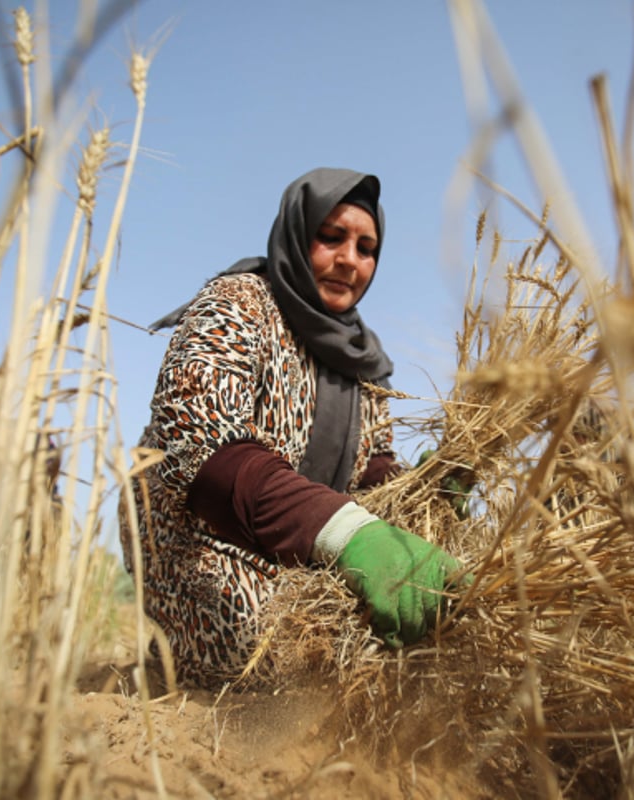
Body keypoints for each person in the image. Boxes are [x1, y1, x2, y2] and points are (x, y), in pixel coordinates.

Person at [120, 167, 465, 688]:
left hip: (304, 547)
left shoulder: (366, 362)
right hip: (198, 530)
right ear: (297, 234)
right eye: (331, 238)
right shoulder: (236, 304)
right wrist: (349, 534)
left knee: (399, 659)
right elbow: (203, 447)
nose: (349, 259)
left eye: (367, 248)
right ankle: (172, 652)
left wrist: (426, 491)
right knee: (279, 663)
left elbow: (371, 469)